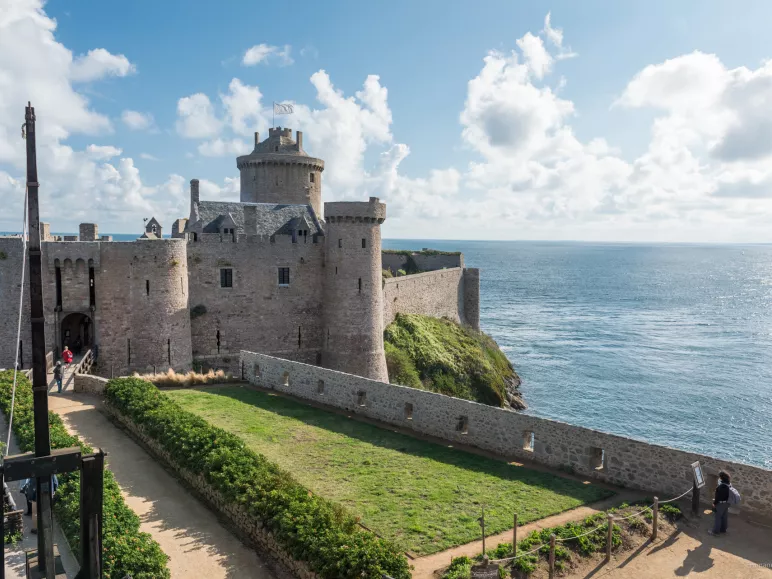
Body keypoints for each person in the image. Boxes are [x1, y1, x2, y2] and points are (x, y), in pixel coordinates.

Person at [708, 471, 731, 536]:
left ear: (721, 478)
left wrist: (714, 503)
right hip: (727, 503)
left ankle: (715, 532)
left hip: (720, 504)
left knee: (718, 517)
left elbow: (718, 497)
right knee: (724, 517)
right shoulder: (729, 484)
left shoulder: (721, 487)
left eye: (719, 477)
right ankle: (723, 530)